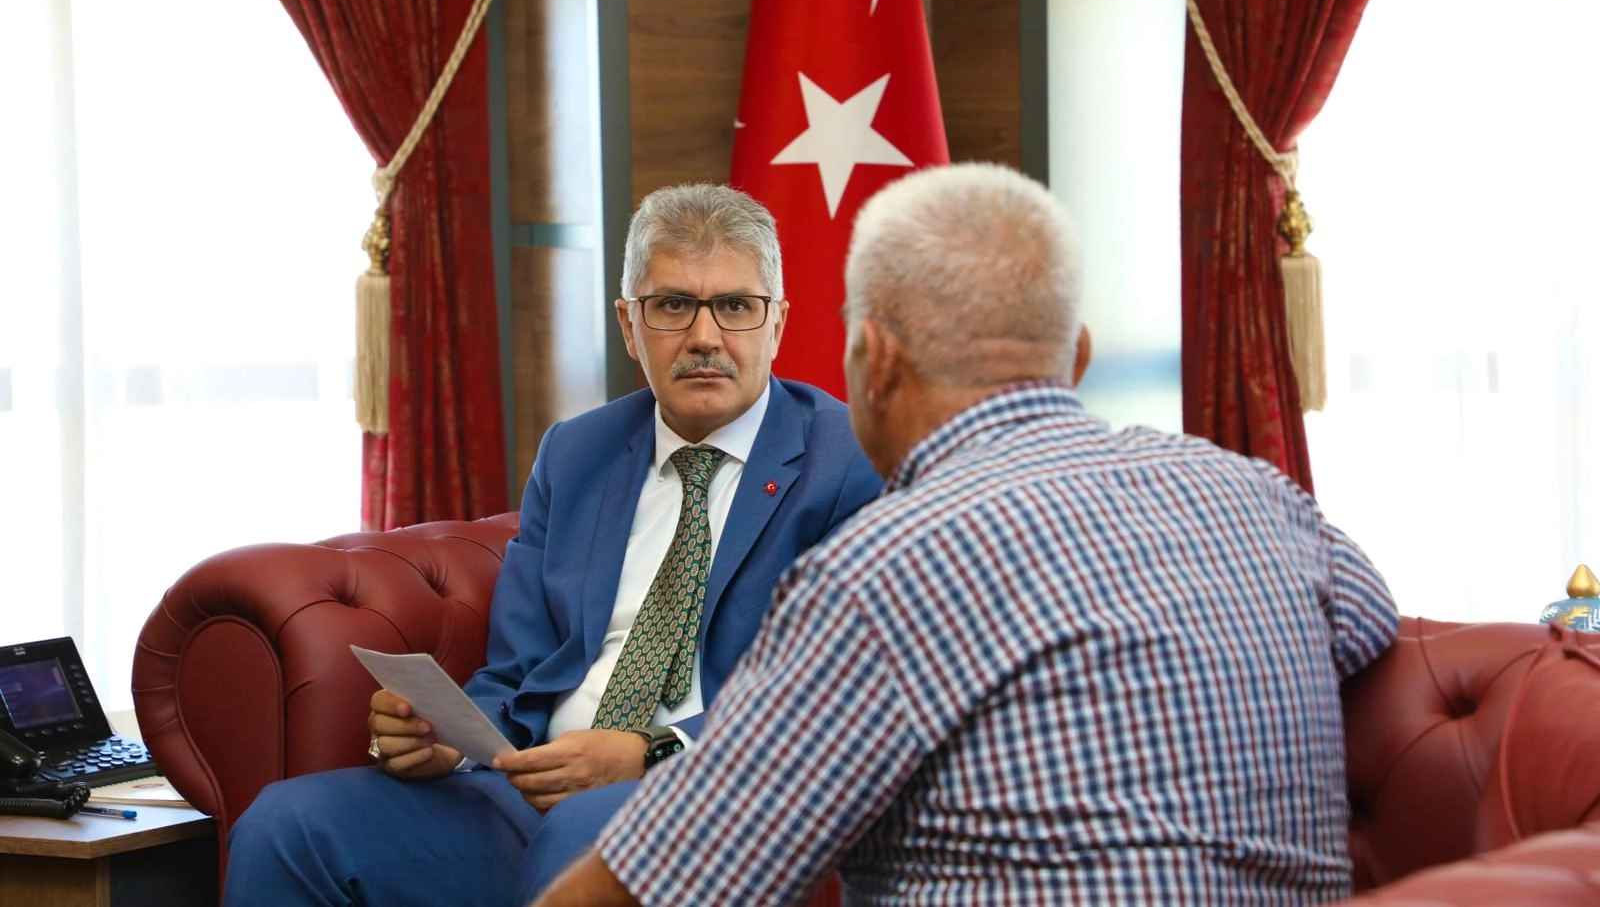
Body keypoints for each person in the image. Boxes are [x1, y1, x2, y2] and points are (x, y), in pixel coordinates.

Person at [536, 162, 1400, 906]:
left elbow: (668, 875)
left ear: (875, 362)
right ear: (1077, 356)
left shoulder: (880, 572)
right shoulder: (1257, 494)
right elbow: (1371, 622)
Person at [221, 183, 883, 906]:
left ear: (776, 323)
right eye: (671, 306)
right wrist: (447, 739)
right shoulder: (577, 453)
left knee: (584, 834)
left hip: (714, 797)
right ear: (629, 326)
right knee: (287, 824)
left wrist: (650, 752)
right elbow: (516, 671)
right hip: (530, 785)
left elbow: (841, 692)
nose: (704, 337)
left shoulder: (849, 464)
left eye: (734, 306)